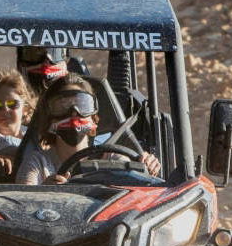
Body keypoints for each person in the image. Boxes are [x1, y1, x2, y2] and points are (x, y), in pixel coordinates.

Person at [16, 73, 160, 185]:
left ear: (94, 119)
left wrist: (146, 170)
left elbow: (132, 196)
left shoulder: (112, 158)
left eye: (83, 105)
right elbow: (21, 206)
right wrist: (42, 193)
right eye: (62, 106)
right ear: (50, 120)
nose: (73, 112)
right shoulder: (38, 162)